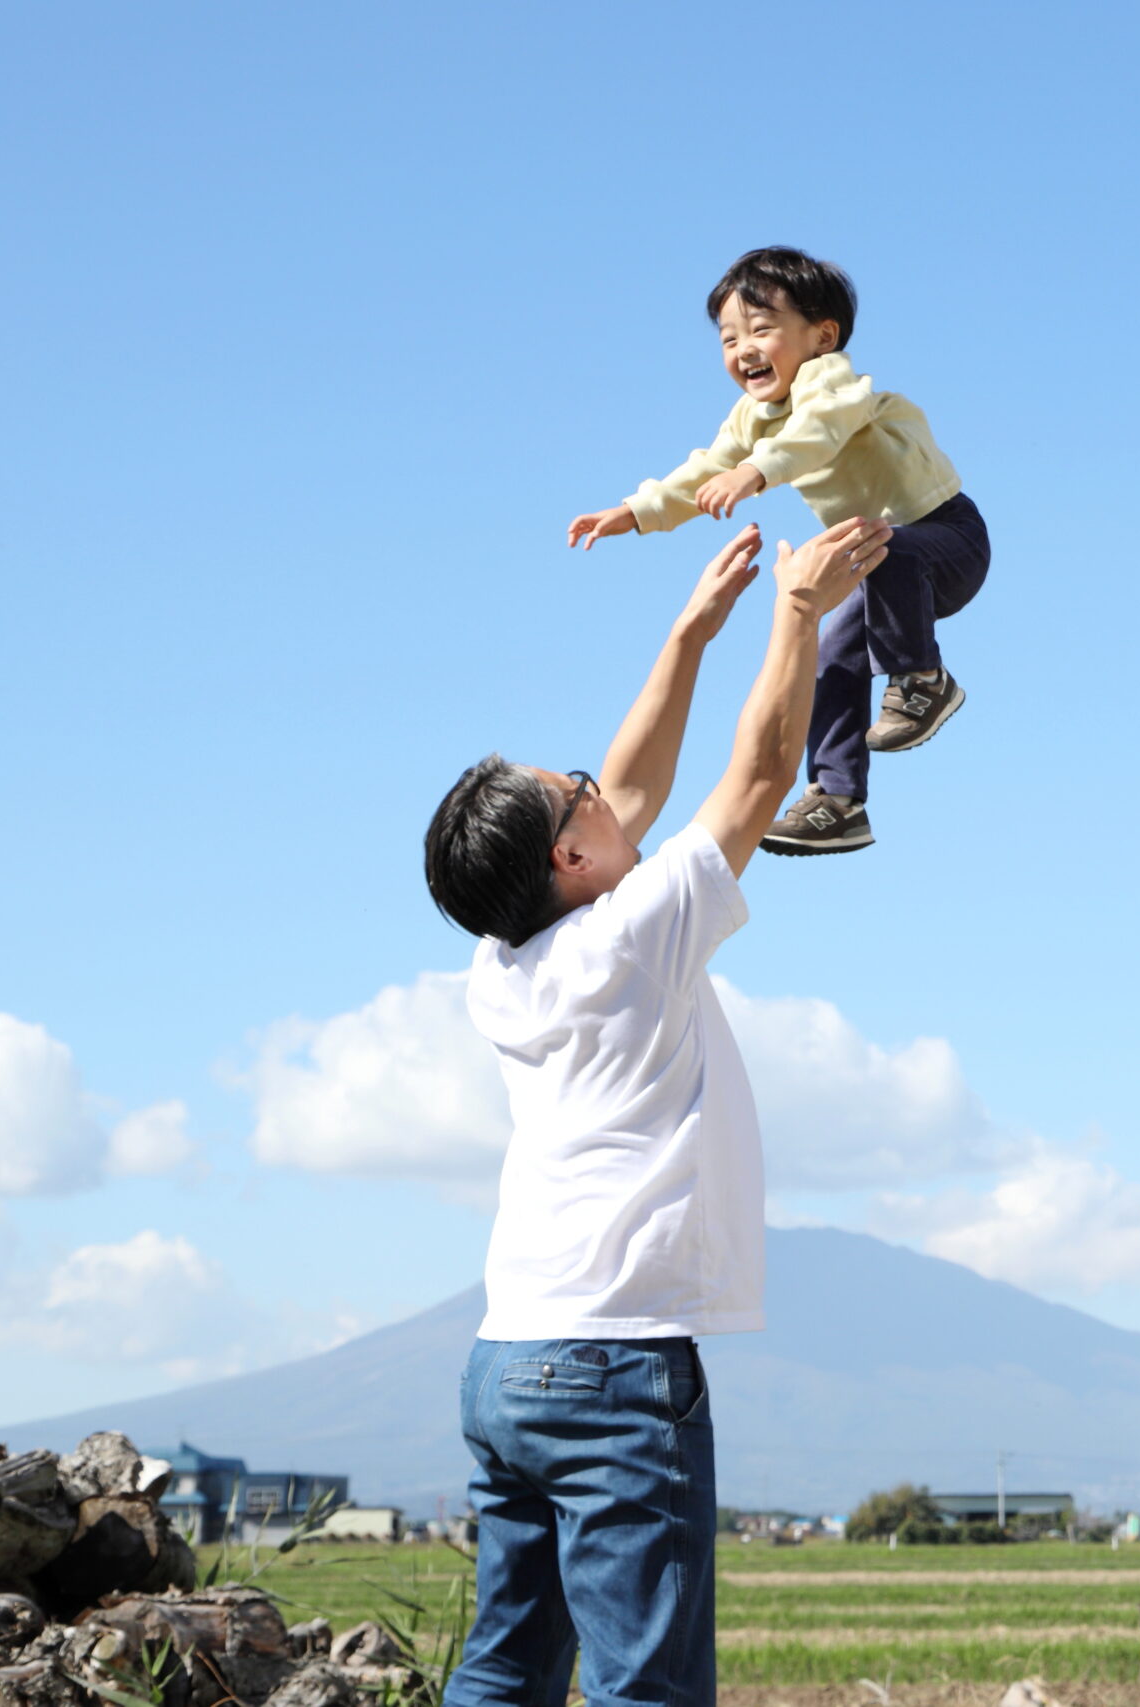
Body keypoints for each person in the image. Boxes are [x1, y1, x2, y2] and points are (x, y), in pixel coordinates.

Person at [421, 512, 891, 1707]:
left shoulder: (506, 961)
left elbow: (625, 785)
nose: (597, 786)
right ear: (572, 862)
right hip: (614, 1365)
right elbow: (759, 775)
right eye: (574, 796)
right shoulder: (633, 940)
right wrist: (796, 611)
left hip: (510, 1357)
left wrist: (691, 630)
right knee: (648, 1688)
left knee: (507, 1668)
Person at [566, 246, 989, 857]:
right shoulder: (752, 417)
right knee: (826, 654)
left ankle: (924, 678)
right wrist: (636, 512)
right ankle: (837, 800)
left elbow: (818, 433)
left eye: (762, 330)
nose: (743, 350)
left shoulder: (830, 380)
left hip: (947, 538)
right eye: (728, 338)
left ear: (822, 335)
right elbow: (706, 468)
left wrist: (757, 474)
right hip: (880, 568)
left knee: (883, 546)